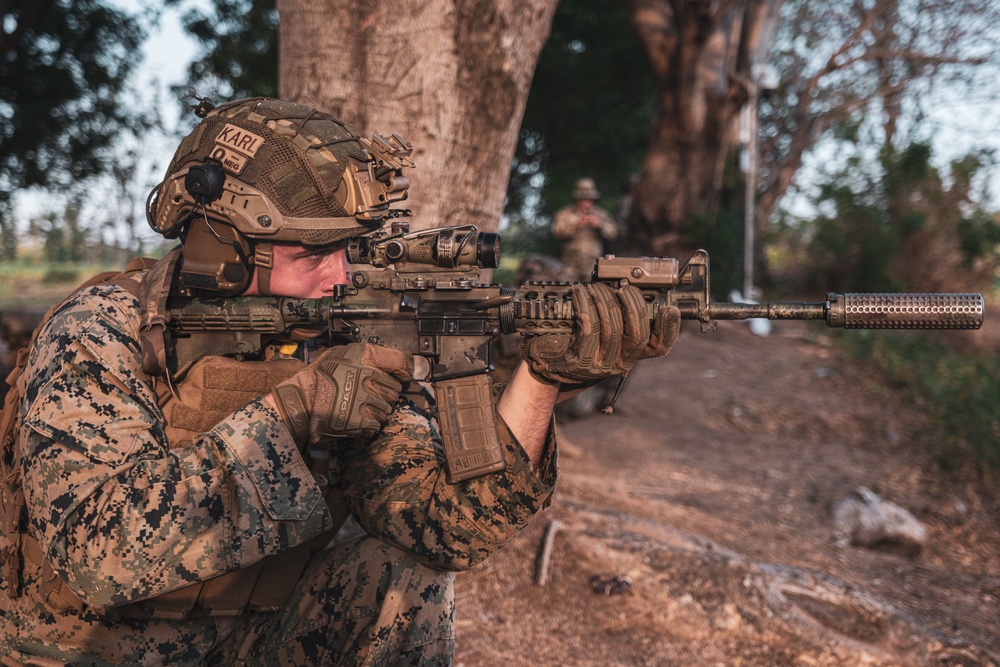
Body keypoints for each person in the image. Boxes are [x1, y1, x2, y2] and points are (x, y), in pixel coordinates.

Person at [0, 97, 681, 665]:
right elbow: (99, 554)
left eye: (348, 249)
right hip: (80, 653)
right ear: (222, 245)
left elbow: (449, 529)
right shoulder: (101, 331)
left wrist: (540, 378)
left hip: (247, 643)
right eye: (314, 253)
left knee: (404, 575)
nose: (341, 277)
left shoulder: (337, 332)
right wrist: (296, 410)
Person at [550, 177, 619, 283]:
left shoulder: (600, 214)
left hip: (593, 263)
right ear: (577, 198)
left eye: (590, 199)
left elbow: (613, 233)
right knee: (568, 291)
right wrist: (576, 225)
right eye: (583, 199)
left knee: (592, 293)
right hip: (570, 263)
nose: (586, 202)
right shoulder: (566, 214)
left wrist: (600, 225)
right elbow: (557, 231)